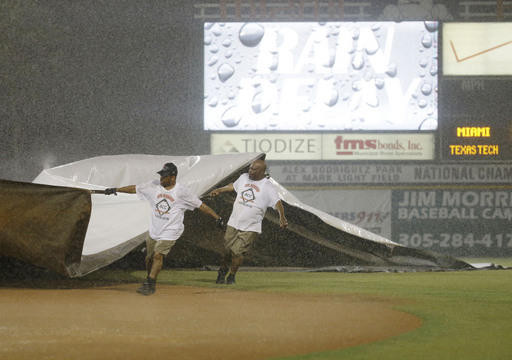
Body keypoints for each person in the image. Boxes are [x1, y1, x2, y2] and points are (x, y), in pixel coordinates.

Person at [102, 162, 224, 295]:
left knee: (158, 255)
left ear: (173, 177)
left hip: (171, 230)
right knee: (148, 259)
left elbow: (201, 206)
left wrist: (217, 218)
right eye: (161, 175)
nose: (161, 179)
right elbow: (134, 188)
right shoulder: (153, 186)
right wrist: (116, 189)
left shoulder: (182, 192)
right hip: (155, 230)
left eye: (164, 176)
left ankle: (150, 283)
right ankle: (150, 279)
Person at [208, 159, 288, 285]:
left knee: (237, 252)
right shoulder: (244, 177)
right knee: (227, 251)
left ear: (262, 171)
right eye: (250, 168)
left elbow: (278, 203)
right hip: (233, 222)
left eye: (254, 169)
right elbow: (232, 186)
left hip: (251, 226)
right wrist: (220, 190)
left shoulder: (267, 186)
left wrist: (282, 217)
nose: (250, 171)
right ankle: (222, 272)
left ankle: (232, 276)